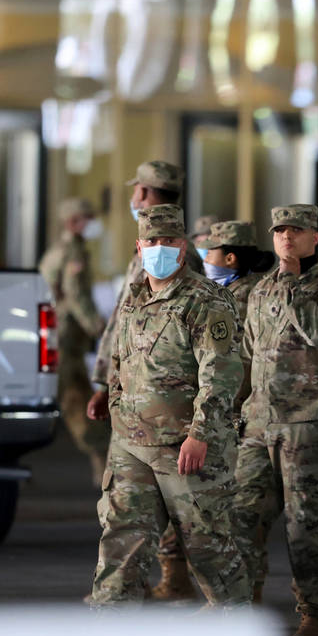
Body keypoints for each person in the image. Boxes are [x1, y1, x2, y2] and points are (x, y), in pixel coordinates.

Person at [88, 204, 249, 609]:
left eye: (169, 241)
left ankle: (232, 622)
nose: (160, 248)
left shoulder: (206, 301)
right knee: (122, 539)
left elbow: (222, 375)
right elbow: (121, 360)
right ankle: (109, 624)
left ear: (184, 246)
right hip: (131, 444)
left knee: (206, 544)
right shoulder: (133, 297)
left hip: (184, 448)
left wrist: (200, 435)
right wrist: (113, 400)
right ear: (139, 246)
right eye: (152, 241)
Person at [232, 204, 318, 636]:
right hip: (259, 423)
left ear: (315, 238)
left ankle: (314, 613)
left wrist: (291, 283)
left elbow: (316, 333)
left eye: (297, 230)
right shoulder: (260, 290)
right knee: (243, 516)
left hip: (310, 421)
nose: (287, 237)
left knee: (305, 524)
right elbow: (248, 355)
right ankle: (240, 605)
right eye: (280, 230)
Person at [149, 219, 271, 600]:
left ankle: (240, 600)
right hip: (205, 415)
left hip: (234, 417)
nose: (204, 257)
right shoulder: (211, 292)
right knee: (198, 512)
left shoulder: (247, 296)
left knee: (230, 516)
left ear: (230, 256)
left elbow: (243, 363)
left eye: (210, 251)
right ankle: (204, 590)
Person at [87, 161, 203, 423]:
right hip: (136, 389)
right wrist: (107, 384)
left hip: (157, 396)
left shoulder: (173, 256)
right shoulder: (164, 252)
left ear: (141, 193)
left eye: (135, 191)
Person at [38, 198, 109, 486]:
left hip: (61, 336)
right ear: (72, 222)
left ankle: (102, 461)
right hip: (65, 337)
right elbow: (76, 295)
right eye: (85, 218)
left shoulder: (60, 250)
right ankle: (101, 459)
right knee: (76, 399)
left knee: (74, 394)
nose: (90, 223)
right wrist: (98, 327)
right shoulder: (71, 252)